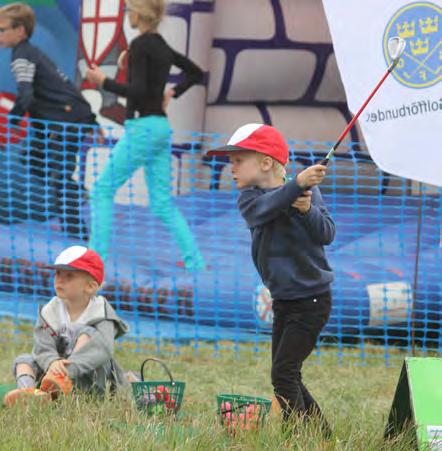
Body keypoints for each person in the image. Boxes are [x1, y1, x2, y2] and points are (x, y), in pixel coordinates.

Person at [207, 123, 335, 433]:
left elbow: (327, 233)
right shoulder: (250, 198)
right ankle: (321, 435)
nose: (231, 168)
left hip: (312, 300)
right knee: (288, 373)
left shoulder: (306, 190)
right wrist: (295, 188)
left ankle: (297, 437)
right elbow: (264, 210)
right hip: (284, 300)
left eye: (238, 160)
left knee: (283, 374)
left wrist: (307, 210)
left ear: (265, 162)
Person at [85, 0, 205, 270]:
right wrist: (172, 92)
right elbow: (195, 72)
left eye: (128, 10)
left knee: (102, 190)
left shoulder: (140, 45)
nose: (128, 15)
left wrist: (102, 81)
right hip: (161, 128)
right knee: (162, 202)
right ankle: (194, 261)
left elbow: (137, 91)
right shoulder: (160, 45)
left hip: (142, 129)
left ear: (138, 13)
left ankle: (95, 260)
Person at [0, 2, 99, 239]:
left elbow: (26, 96)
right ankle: (76, 192)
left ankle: (77, 233)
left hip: (69, 119)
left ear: (20, 30)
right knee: (33, 159)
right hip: (57, 118)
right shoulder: (29, 53)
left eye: (2, 30)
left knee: (59, 174)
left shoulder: (22, 57)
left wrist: (11, 123)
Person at [3, 245, 128, 406]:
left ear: (90, 286)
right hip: (53, 373)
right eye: (58, 273)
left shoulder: (100, 312)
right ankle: (29, 392)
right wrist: (52, 362)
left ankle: (58, 387)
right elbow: (43, 347)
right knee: (23, 360)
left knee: (87, 332)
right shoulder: (51, 311)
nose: (60, 279)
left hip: (89, 378)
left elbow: (102, 349)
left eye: (69, 275)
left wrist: (67, 370)